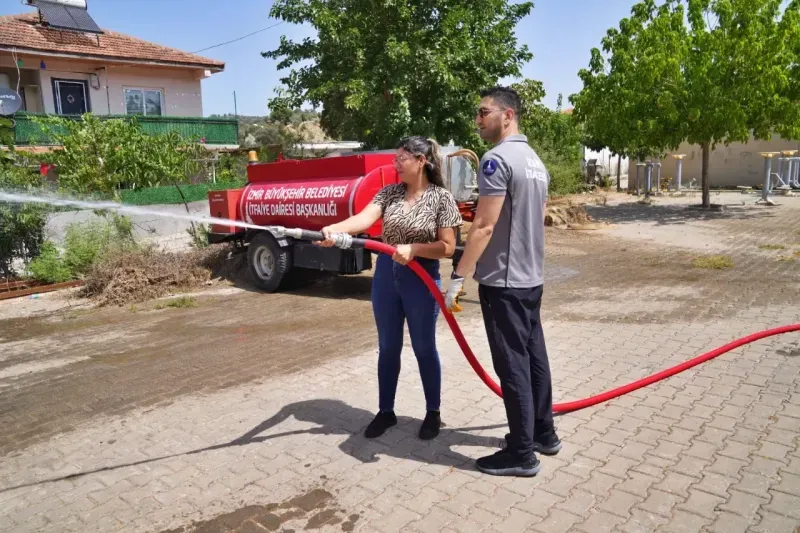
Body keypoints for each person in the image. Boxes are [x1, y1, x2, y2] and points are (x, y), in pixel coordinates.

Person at [444, 86, 561, 477]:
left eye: (483, 112)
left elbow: (485, 225)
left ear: (507, 115)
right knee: (534, 358)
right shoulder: (535, 161)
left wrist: (460, 274)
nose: (478, 120)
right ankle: (544, 434)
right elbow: (537, 215)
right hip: (531, 277)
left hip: (505, 282)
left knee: (512, 365)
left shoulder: (496, 161)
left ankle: (522, 454)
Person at [316, 136, 463, 440]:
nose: (395, 163)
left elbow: (448, 247)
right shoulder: (389, 193)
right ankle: (386, 412)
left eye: (402, 158)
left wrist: (415, 249)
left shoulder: (441, 198)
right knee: (388, 347)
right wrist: (336, 229)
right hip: (386, 276)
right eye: (395, 157)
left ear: (421, 161)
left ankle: (433, 412)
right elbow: (362, 219)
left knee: (424, 347)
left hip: (421, 279)